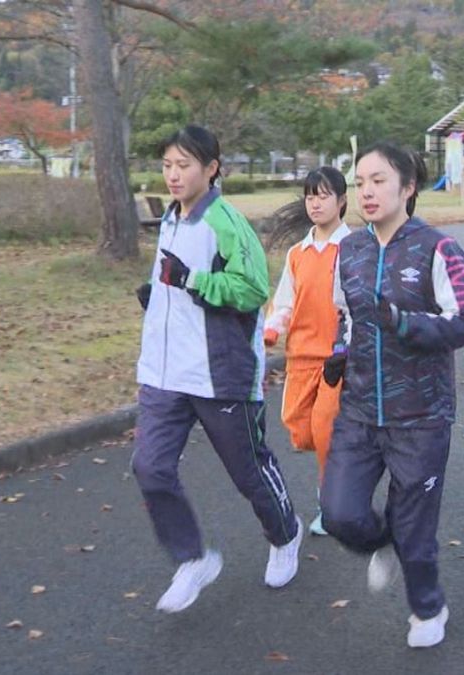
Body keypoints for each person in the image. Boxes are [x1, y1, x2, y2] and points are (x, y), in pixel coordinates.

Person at [132, 125, 303, 614]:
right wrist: (158, 297)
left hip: (219, 372)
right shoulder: (170, 217)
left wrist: (191, 282)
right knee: (149, 466)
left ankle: (285, 533)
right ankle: (191, 559)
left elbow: (251, 289)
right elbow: (174, 277)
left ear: (212, 168)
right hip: (164, 373)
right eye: (167, 165)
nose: (173, 174)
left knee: (248, 470)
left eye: (184, 165)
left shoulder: (226, 220)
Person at [320, 142, 464, 648]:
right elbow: (345, 315)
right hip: (360, 410)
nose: (366, 192)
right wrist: (340, 351)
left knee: (416, 531)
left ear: (408, 188)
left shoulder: (439, 249)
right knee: (339, 514)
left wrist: (401, 322)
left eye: (378, 181)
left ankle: (428, 609)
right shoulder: (349, 249)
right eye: (360, 182)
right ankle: (379, 539)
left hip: (421, 415)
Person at [263, 167, 352, 536]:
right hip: (300, 355)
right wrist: (272, 328)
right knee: (299, 430)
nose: (315, 203)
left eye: (324, 196)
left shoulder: (353, 249)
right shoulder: (298, 253)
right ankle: (345, 472)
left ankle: (330, 504)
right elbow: (285, 300)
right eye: (310, 196)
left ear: (342, 201)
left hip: (336, 358)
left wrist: (350, 344)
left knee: (325, 427)